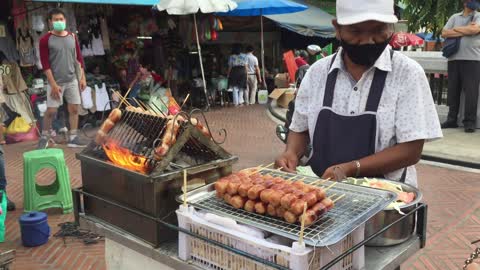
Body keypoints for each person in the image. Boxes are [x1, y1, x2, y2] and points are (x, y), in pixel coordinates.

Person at [275, 0, 443, 187]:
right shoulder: (317, 73)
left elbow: (411, 150)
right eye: (356, 31)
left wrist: (351, 168)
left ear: (391, 27)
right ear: (337, 28)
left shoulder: (407, 73)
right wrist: (291, 152)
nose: (368, 40)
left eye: (379, 31)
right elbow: (300, 128)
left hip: (386, 201)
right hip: (319, 194)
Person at [38, 8, 87, 149]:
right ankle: (44, 136)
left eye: (61, 19)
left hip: (72, 80)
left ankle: (73, 137)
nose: (59, 22)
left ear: (65, 20)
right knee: (51, 111)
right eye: (55, 19)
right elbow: (45, 64)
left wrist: (82, 78)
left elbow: (79, 58)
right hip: (55, 81)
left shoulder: (72, 36)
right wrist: (53, 84)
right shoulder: (45, 40)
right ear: (50, 22)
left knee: (74, 109)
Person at [441, 0, 480, 133]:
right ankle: (451, 120)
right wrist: (466, 30)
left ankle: (469, 122)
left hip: (473, 59)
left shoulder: (478, 16)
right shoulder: (454, 17)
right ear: (465, 2)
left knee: (471, 92)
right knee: (452, 90)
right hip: (453, 58)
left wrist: (456, 30)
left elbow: (475, 29)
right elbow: (444, 33)